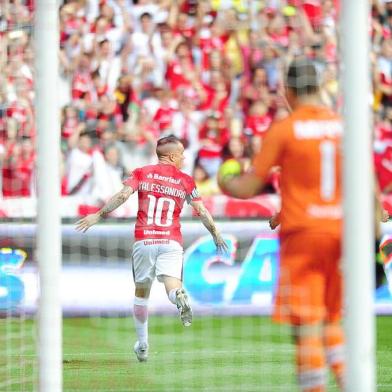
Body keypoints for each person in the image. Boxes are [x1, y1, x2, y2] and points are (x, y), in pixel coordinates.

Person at [219, 58, 344, 391]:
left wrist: (225, 182)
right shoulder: (343, 126)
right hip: (341, 235)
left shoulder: (285, 130)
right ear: (319, 88)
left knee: (305, 323)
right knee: (332, 318)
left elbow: (247, 186)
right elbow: (368, 189)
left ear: (288, 91)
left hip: (303, 236)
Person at [76, 135, 228, 362]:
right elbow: (202, 212)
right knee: (172, 284)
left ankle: (143, 344)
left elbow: (123, 195)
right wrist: (215, 232)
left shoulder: (142, 172)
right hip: (171, 240)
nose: (185, 158)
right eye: (182, 154)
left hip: (144, 240)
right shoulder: (185, 180)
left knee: (141, 293)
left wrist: (98, 215)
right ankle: (178, 296)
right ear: (173, 156)